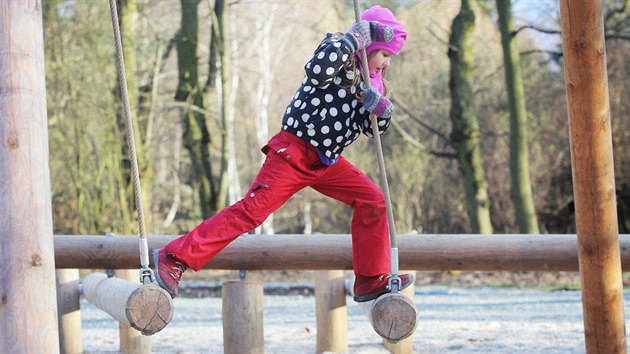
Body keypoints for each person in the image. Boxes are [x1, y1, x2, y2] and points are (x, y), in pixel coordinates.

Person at [153, 5, 412, 303]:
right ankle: (174, 257)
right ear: (369, 45)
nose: (387, 63)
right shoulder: (335, 50)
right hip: (294, 152)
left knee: (374, 200)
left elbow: (371, 132)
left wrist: (381, 112)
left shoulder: (372, 82)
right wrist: (354, 39)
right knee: (251, 212)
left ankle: (369, 279)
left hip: (326, 160)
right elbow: (318, 72)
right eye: (385, 54)